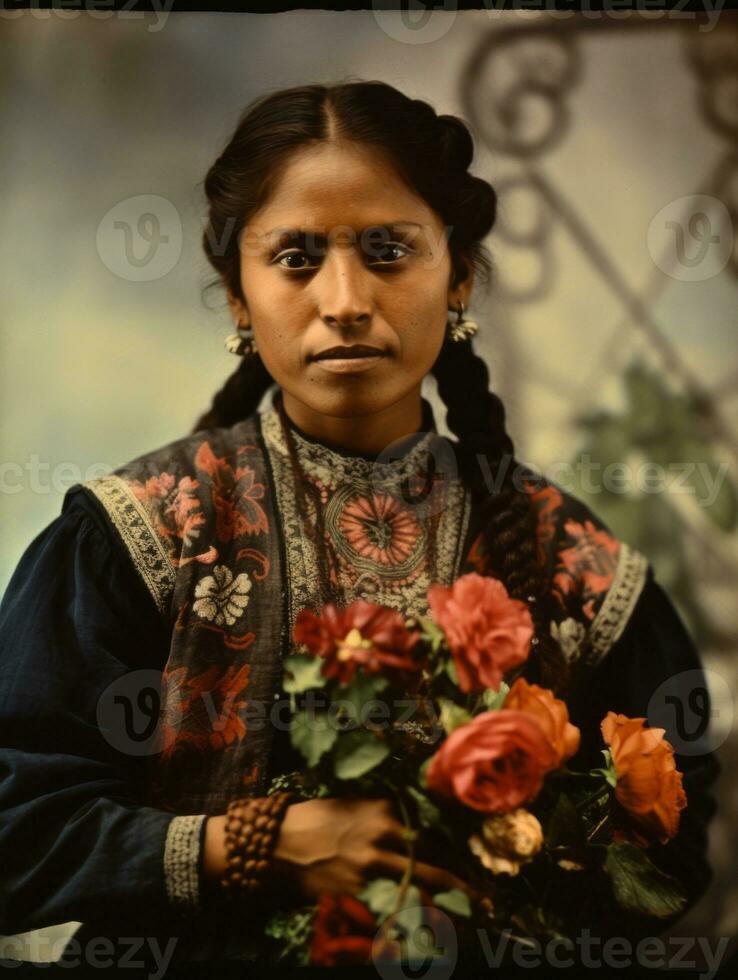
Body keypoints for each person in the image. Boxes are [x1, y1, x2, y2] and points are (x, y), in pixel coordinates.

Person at [0, 80, 720, 969]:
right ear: (237, 294)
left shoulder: (566, 558)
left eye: (389, 251)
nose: (344, 298)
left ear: (456, 275)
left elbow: (672, 852)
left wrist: (494, 887)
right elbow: (15, 833)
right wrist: (252, 844)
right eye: (297, 257)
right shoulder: (139, 536)